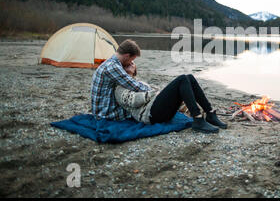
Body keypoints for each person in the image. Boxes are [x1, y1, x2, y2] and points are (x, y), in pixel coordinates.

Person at [91, 39, 226, 133]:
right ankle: (197, 119)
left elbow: (135, 85)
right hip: (122, 114)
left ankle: (209, 113)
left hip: (150, 108)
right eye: (131, 62)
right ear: (127, 56)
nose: (132, 65)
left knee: (188, 77)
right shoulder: (116, 77)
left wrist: (154, 91)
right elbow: (134, 94)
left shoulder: (117, 69)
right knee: (182, 79)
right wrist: (154, 93)